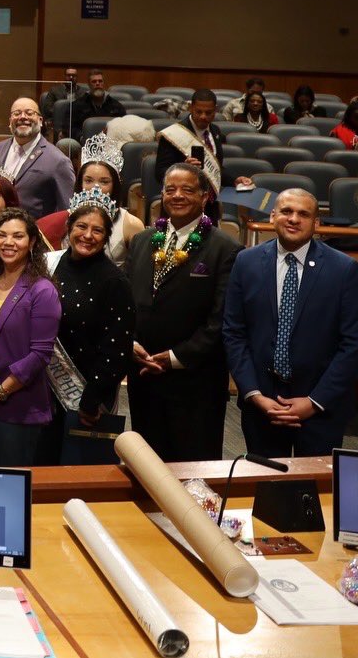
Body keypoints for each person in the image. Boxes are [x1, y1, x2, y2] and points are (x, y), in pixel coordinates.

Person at [225, 189, 358, 457]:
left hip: (320, 408)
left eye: (303, 214)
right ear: (272, 216)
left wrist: (314, 402)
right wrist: (254, 394)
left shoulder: (344, 269)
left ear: (316, 223)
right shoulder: (246, 262)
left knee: (315, 483)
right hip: (262, 405)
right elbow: (234, 333)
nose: (294, 219)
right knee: (267, 480)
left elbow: (353, 343)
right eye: (286, 211)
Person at [127, 163, 240, 461]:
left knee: (192, 473)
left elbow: (220, 320)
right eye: (170, 189)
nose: (177, 195)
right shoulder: (142, 240)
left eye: (187, 190)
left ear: (204, 197)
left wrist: (175, 358)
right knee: (147, 466)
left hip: (195, 383)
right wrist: (131, 343)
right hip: (144, 375)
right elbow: (126, 304)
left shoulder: (225, 248)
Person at [0, 208, 61, 467]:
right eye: (2, 235)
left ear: (32, 242)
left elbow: (39, 355)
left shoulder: (42, 290)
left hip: (18, 406)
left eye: (18, 236)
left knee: (11, 482)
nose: (8, 242)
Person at [45, 189, 135, 464]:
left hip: (85, 396)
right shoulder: (50, 265)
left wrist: (91, 399)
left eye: (97, 230)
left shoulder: (114, 281)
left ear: (106, 237)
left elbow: (117, 349)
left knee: (77, 475)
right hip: (43, 390)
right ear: (69, 227)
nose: (88, 235)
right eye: (81, 226)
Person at [36, 133, 144, 268]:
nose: (95, 187)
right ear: (80, 183)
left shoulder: (131, 224)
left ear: (115, 185)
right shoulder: (63, 219)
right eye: (88, 180)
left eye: (104, 182)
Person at [156, 89, 241, 215]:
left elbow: (215, 169)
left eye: (208, 112)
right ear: (191, 108)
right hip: (180, 204)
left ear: (215, 110)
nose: (203, 116)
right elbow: (160, 173)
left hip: (210, 205)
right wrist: (183, 169)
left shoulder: (215, 131)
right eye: (199, 112)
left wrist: (235, 180)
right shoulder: (174, 134)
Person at [0, 98, 73, 218]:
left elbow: (67, 212)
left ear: (40, 121)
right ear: (10, 121)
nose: (22, 117)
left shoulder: (58, 161)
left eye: (29, 113)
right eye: (17, 113)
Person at [67, 69, 126, 139]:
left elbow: (123, 127)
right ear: (89, 85)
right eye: (94, 81)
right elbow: (70, 127)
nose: (97, 83)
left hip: (110, 140)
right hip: (84, 140)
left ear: (104, 83)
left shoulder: (117, 106)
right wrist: (81, 137)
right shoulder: (77, 105)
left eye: (100, 81)